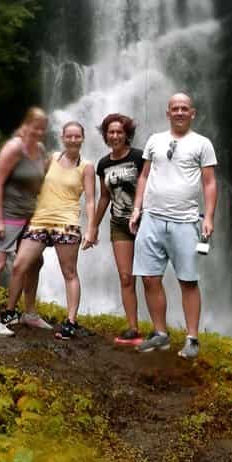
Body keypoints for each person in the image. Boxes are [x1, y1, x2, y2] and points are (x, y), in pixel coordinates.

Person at [130, 93, 217, 359]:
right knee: (149, 277)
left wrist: (210, 217)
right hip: (151, 219)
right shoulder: (155, 140)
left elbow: (210, 183)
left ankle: (192, 338)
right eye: (174, 109)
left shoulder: (202, 143)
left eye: (184, 108)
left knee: (188, 281)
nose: (179, 112)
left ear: (193, 113)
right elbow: (144, 175)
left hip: (185, 221)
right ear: (167, 113)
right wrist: (136, 208)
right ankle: (160, 334)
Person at [4, 120, 97, 341]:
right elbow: (34, 182)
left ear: (82, 139)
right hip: (40, 220)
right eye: (69, 136)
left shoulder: (87, 166)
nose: (73, 140)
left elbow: (92, 200)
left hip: (66, 223)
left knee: (69, 272)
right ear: (63, 138)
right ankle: (13, 312)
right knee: (21, 265)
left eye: (77, 136)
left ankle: (71, 322)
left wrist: (92, 228)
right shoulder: (52, 158)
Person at [0, 107, 47, 336]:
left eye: (42, 129)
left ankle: (29, 312)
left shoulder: (39, 150)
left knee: (35, 261)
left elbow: (40, 183)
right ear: (26, 125)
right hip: (8, 215)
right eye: (35, 127)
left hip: (30, 215)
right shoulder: (14, 147)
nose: (38, 132)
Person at [83, 113, 144, 344]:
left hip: (144, 221)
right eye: (111, 132)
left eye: (119, 132)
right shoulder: (103, 164)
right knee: (126, 277)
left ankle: (159, 330)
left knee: (150, 277)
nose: (115, 136)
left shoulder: (139, 157)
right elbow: (104, 197)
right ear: (105, 135)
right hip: (119, 223)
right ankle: (133, 328)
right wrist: (93, 227)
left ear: (127, 134)